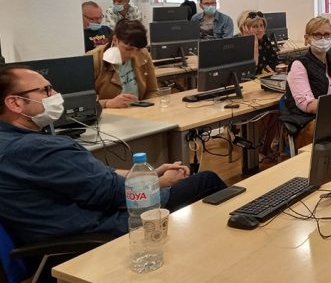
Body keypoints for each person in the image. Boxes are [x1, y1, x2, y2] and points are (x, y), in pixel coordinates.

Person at [0, 65, 226, 245]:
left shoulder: (12, 141)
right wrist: (160, 182)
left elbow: (95, 178)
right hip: (93, 232)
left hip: (60, 227)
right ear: (15, 103)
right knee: (206, 181)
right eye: (46, 90)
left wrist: (150, 173)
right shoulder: (37, 149)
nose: (56, 95)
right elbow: (112, 193)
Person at [280, 17, 331, 149]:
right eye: (317, 35)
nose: (323, 39)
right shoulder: (299, 65)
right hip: (308, 123)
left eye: (327, 35)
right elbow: (308, 105)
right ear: (307, 38)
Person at [89, 19, 158, 109]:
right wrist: (107, 103)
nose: (133, 55)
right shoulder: (93, 59)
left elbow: (153, 91)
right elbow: (81, 102)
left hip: (139, 112)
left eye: (138, 49)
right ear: (115, 40)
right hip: (109, 114)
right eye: (128, 49)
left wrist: (147, 109)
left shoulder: (143, 54)